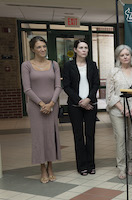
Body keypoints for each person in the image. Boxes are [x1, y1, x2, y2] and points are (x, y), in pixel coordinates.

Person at [21, 36, 62, 183]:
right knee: (39, 137)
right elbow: (27, 88)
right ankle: (42, 168)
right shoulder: (26, 65)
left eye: (44, 46)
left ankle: (50, 166)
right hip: (35, 107)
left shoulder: (54, 64)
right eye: (38, 47)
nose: (42, 49)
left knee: (51, 136)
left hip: (52, 106)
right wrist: (41, 104)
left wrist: (51, 103)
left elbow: (58, 86)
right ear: (32, 49)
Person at [63, 39, 100, 176]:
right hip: (75, 106)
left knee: (90, 135)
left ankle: (91, 165)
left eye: (86, 47)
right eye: (81, 47)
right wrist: (80, 101)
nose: (84, 50)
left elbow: (96, 84)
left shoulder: (92, 65)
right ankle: (81, 166)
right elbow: (66, 86)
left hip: (91, 104)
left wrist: (88, 99)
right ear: (75, 50)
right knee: (78, 136)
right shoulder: (68, 66)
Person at [106, 45, 132, 179]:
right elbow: (109, 95)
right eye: (122, 55)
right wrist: (123, 109)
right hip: (117, 110)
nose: (125, 57)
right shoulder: (113, 72)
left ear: (131, 56)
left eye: (127, 54)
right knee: (121, 137)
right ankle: (121, 167)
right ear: (118, 58)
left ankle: (131, 164)